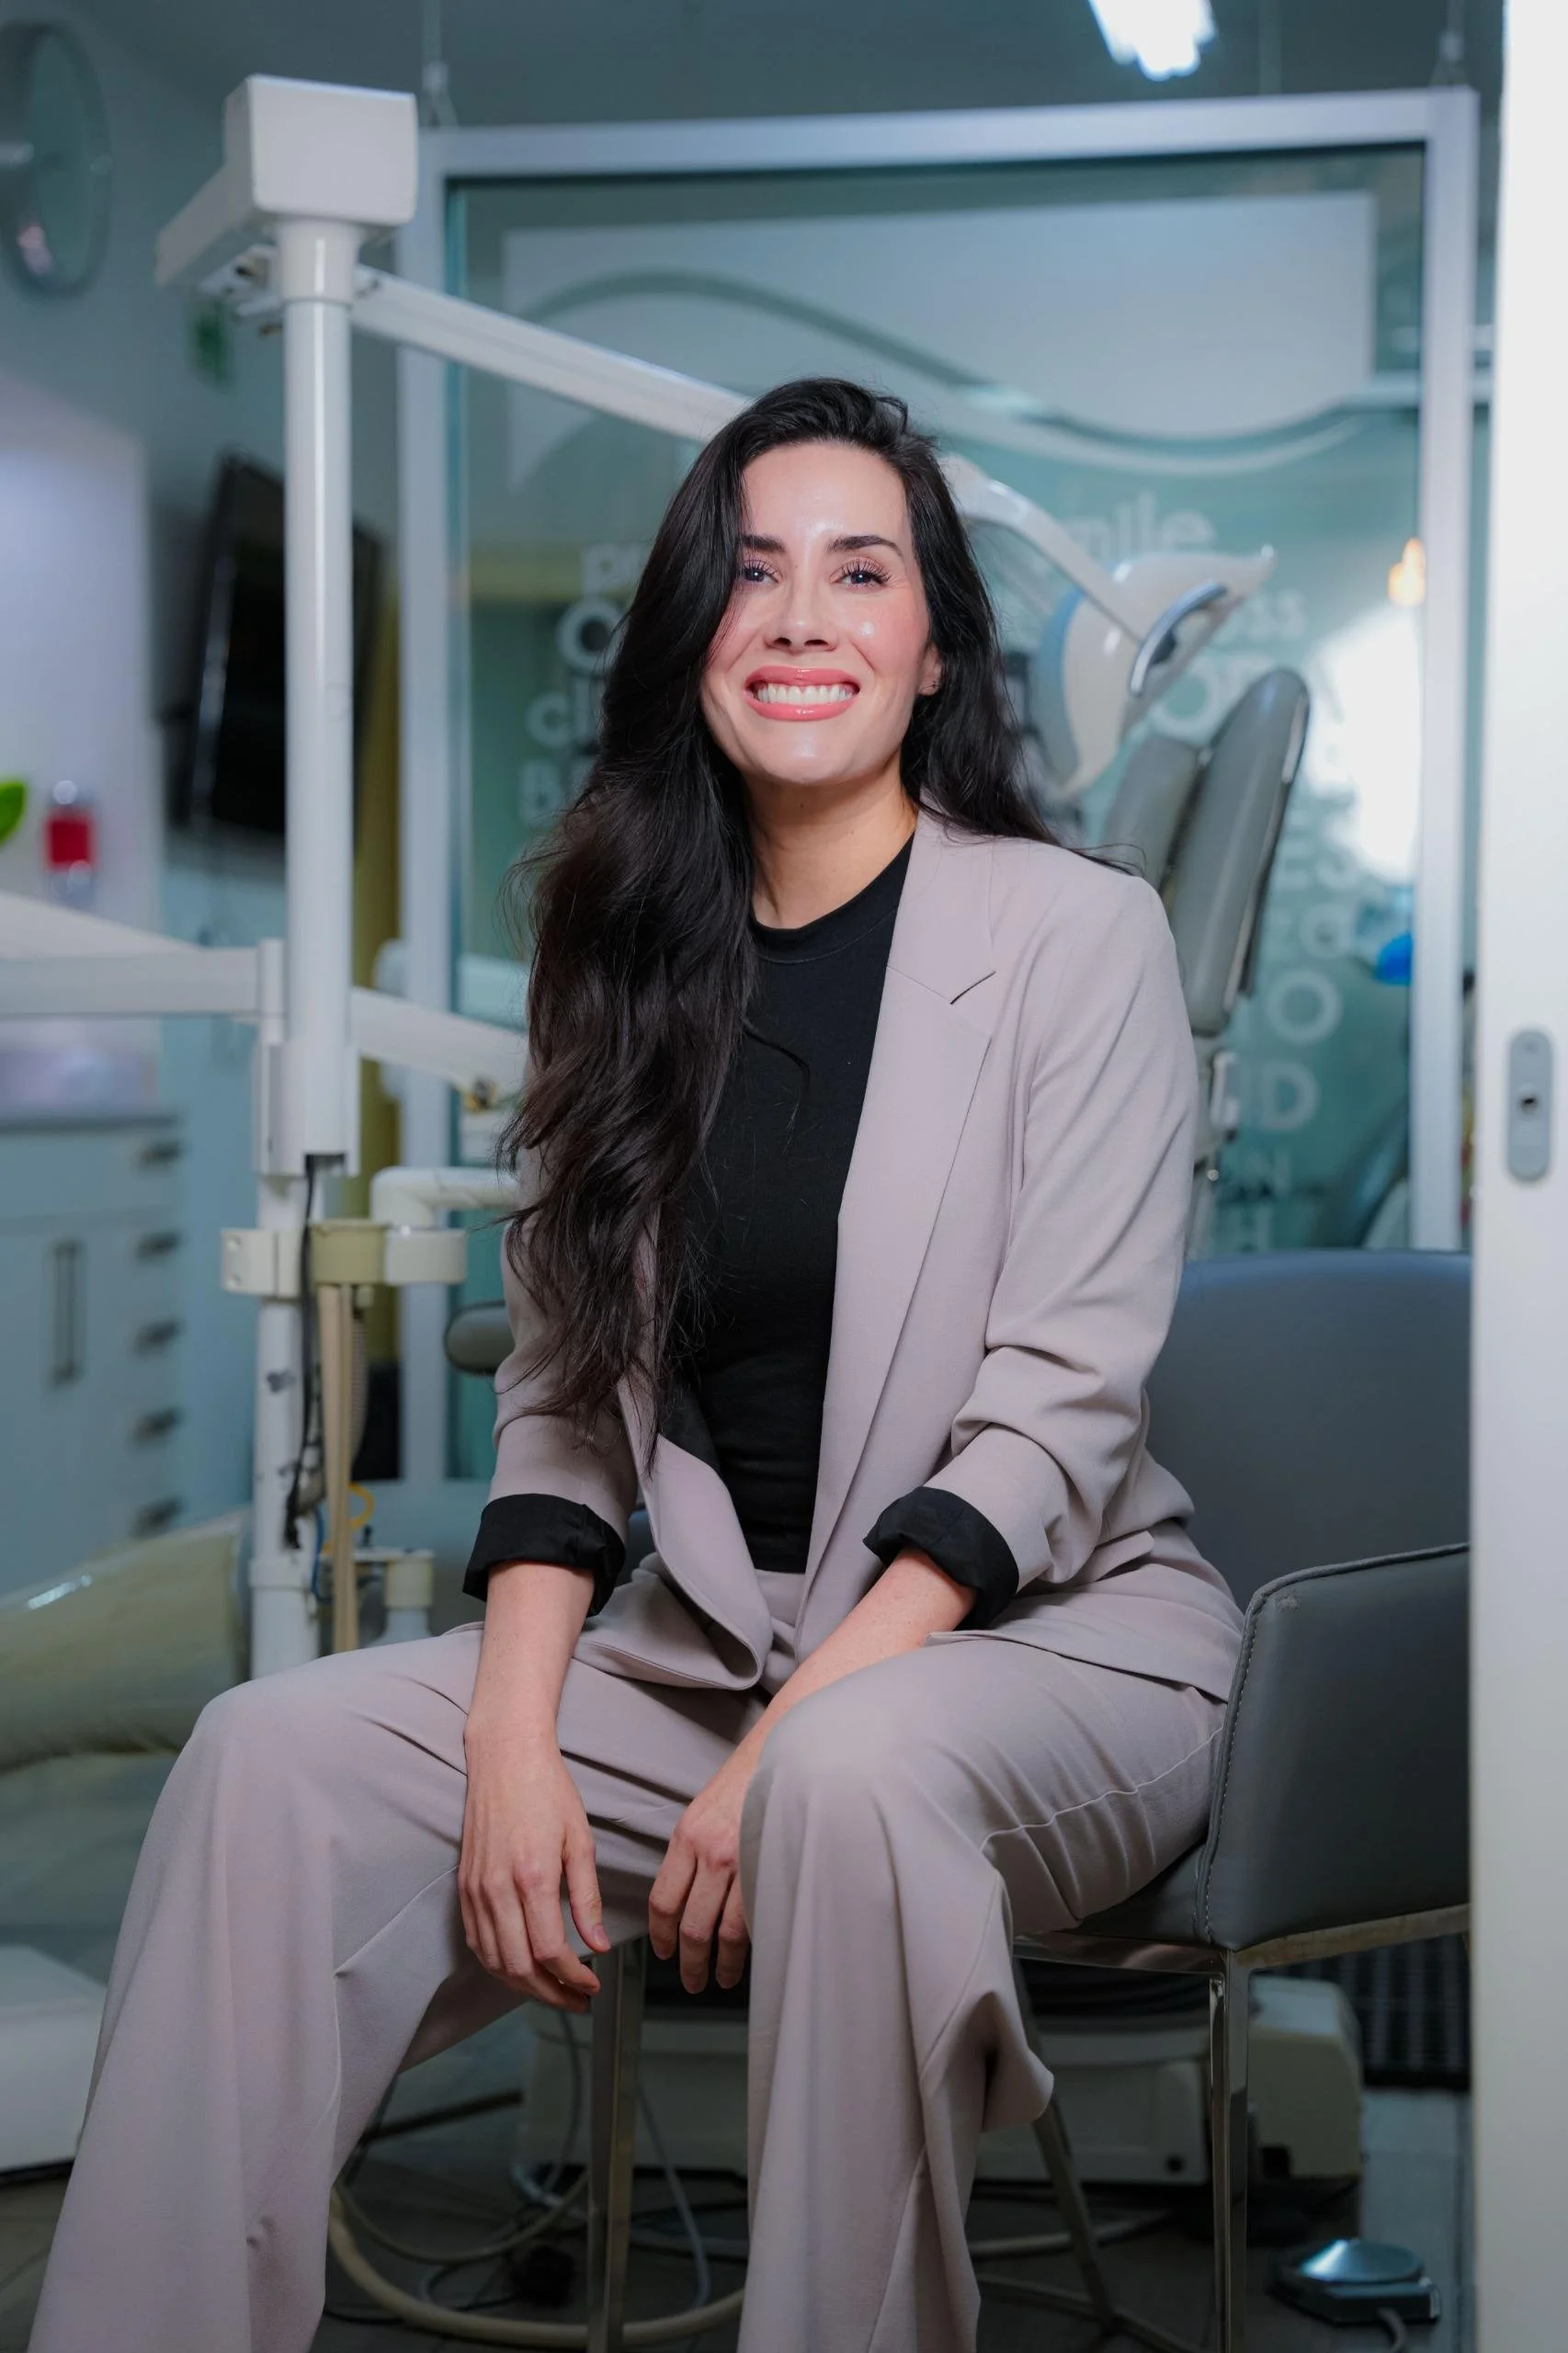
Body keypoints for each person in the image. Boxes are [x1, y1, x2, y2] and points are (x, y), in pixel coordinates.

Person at [30, 378, 1244, 2353]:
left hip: (1055, 1648)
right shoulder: (617, 948)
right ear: (692, 633)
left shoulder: (1075, 933)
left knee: (843, 1780)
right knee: (264, 1761)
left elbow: (1055, 1418)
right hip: (715, 1653)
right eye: (752, 573)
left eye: (860, 573)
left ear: (935, 646)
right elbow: (561, 1397)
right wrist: (511, 1739)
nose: (801, 616)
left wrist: (778, 1751)